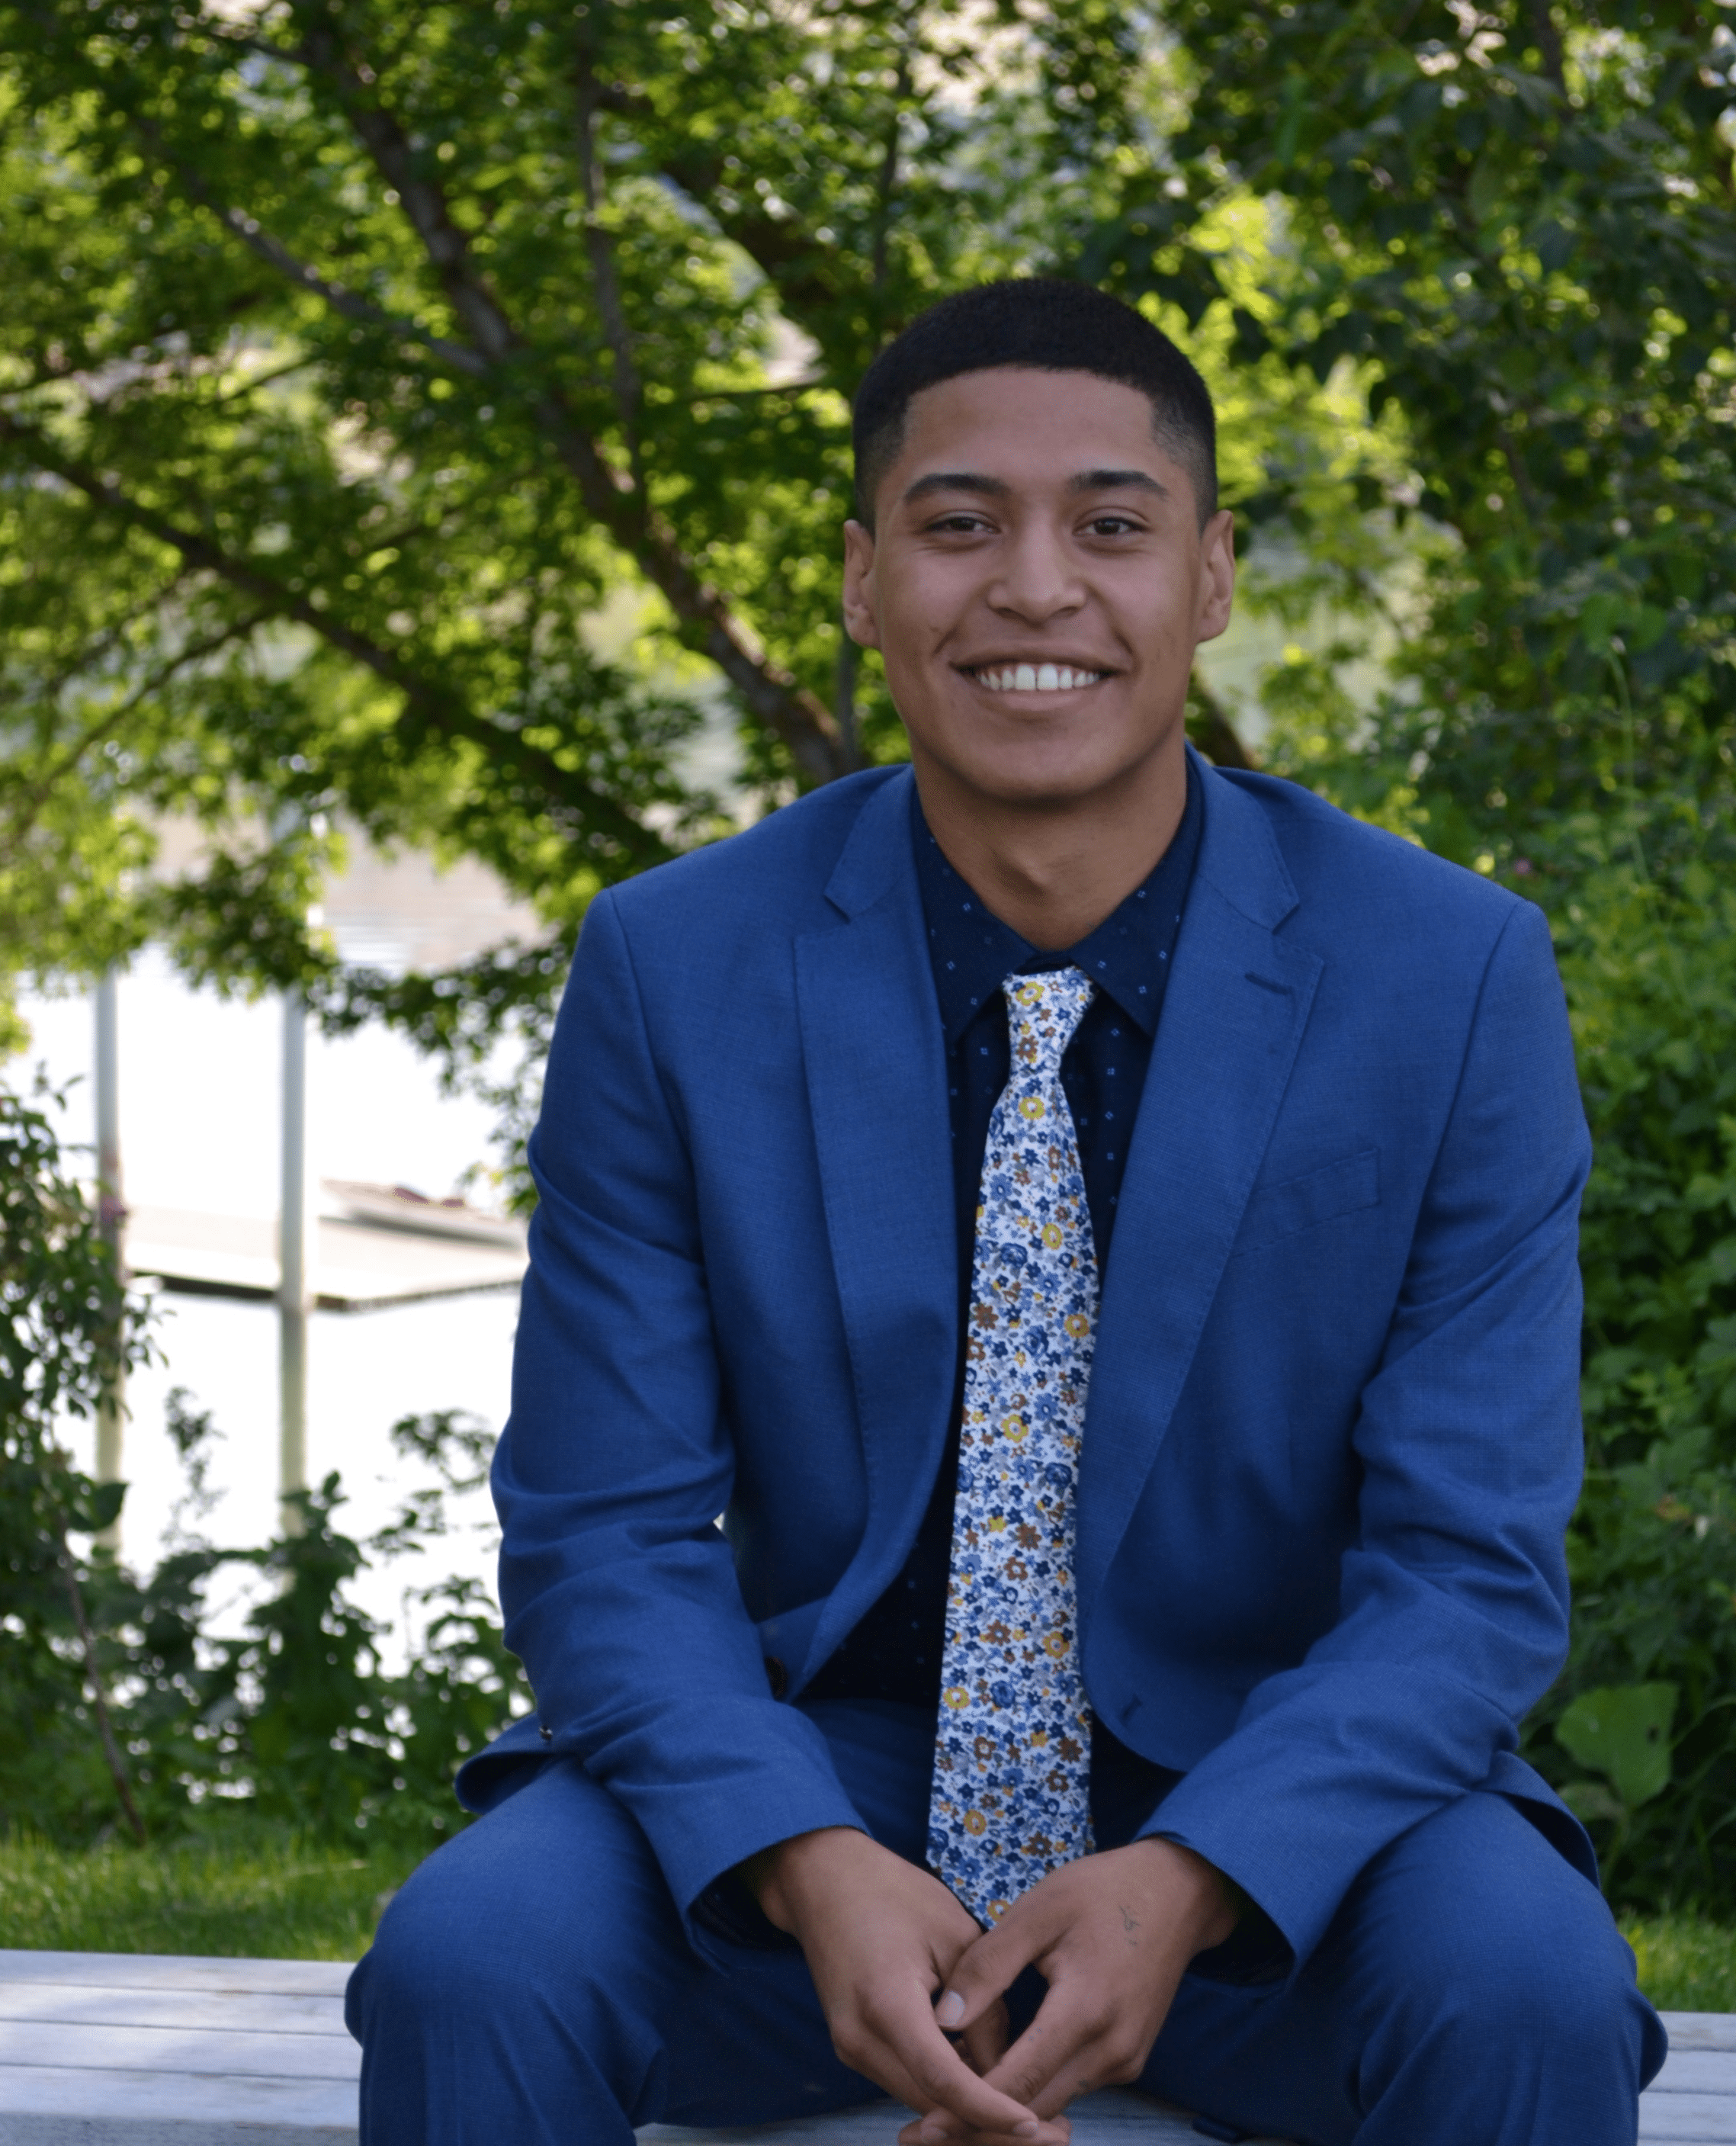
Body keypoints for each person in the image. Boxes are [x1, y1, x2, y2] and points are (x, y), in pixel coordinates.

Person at [346, 279, 1667, 2145]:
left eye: (1109, 526)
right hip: (808, 1786)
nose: (1034, 586)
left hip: (1276, 1811)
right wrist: (802, 1855)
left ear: (1205, 575)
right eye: (958, 524)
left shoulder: (1443, 975)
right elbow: (605, 1529)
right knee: (471, 1958)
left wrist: (1198, 1864)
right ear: (863, 576)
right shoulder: (677, 962)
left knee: (1525, 1982)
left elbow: (1466, 1566)